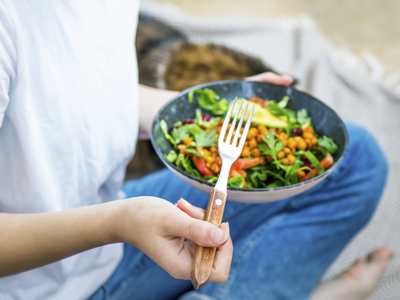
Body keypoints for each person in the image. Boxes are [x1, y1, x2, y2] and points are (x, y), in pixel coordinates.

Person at [0, 1, 392, 300]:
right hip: (50, 284)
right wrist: (119, 223)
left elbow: (63, 99)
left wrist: (202, 112)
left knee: (358, 160)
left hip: (106, 213)